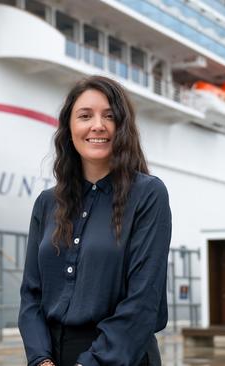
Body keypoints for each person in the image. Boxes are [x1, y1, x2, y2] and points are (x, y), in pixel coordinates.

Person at [18, 76, 172, 366]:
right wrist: (41, 360)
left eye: (109, 116)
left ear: (123, 127)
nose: (97, 125)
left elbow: (143, 301)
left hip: (121, 357)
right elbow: (31, 294)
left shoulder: (148, 195)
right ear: (70, 128)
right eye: (85, 116)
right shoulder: (47, 203)